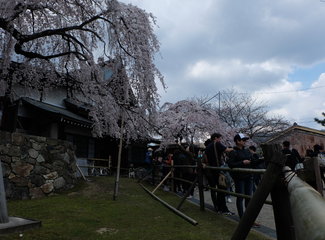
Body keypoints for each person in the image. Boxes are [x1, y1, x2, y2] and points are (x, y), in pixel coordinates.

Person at [228, 133, 259, 226]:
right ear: (237, 141)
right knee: (240, 197)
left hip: (248, 177)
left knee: (249, 198)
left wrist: (259, 159)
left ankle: (249, 219)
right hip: (239, 178)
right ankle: (242, 219)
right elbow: (230, 164)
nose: (245, 141)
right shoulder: (233, 152)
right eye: (243, 140)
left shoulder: (247, 151)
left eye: (245, 140)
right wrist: (242, 162)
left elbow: (253, 162)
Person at [204, 133, 234, 215]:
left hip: (211, 170)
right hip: (218, 170)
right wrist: (233, 149)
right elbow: (226, 150)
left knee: (216, 189)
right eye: (220, 138)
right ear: (216, 138)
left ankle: (218, 207)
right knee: (222, 189)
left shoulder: (208, 147)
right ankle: (223, 209)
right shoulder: (216, 143)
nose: (220, 140)